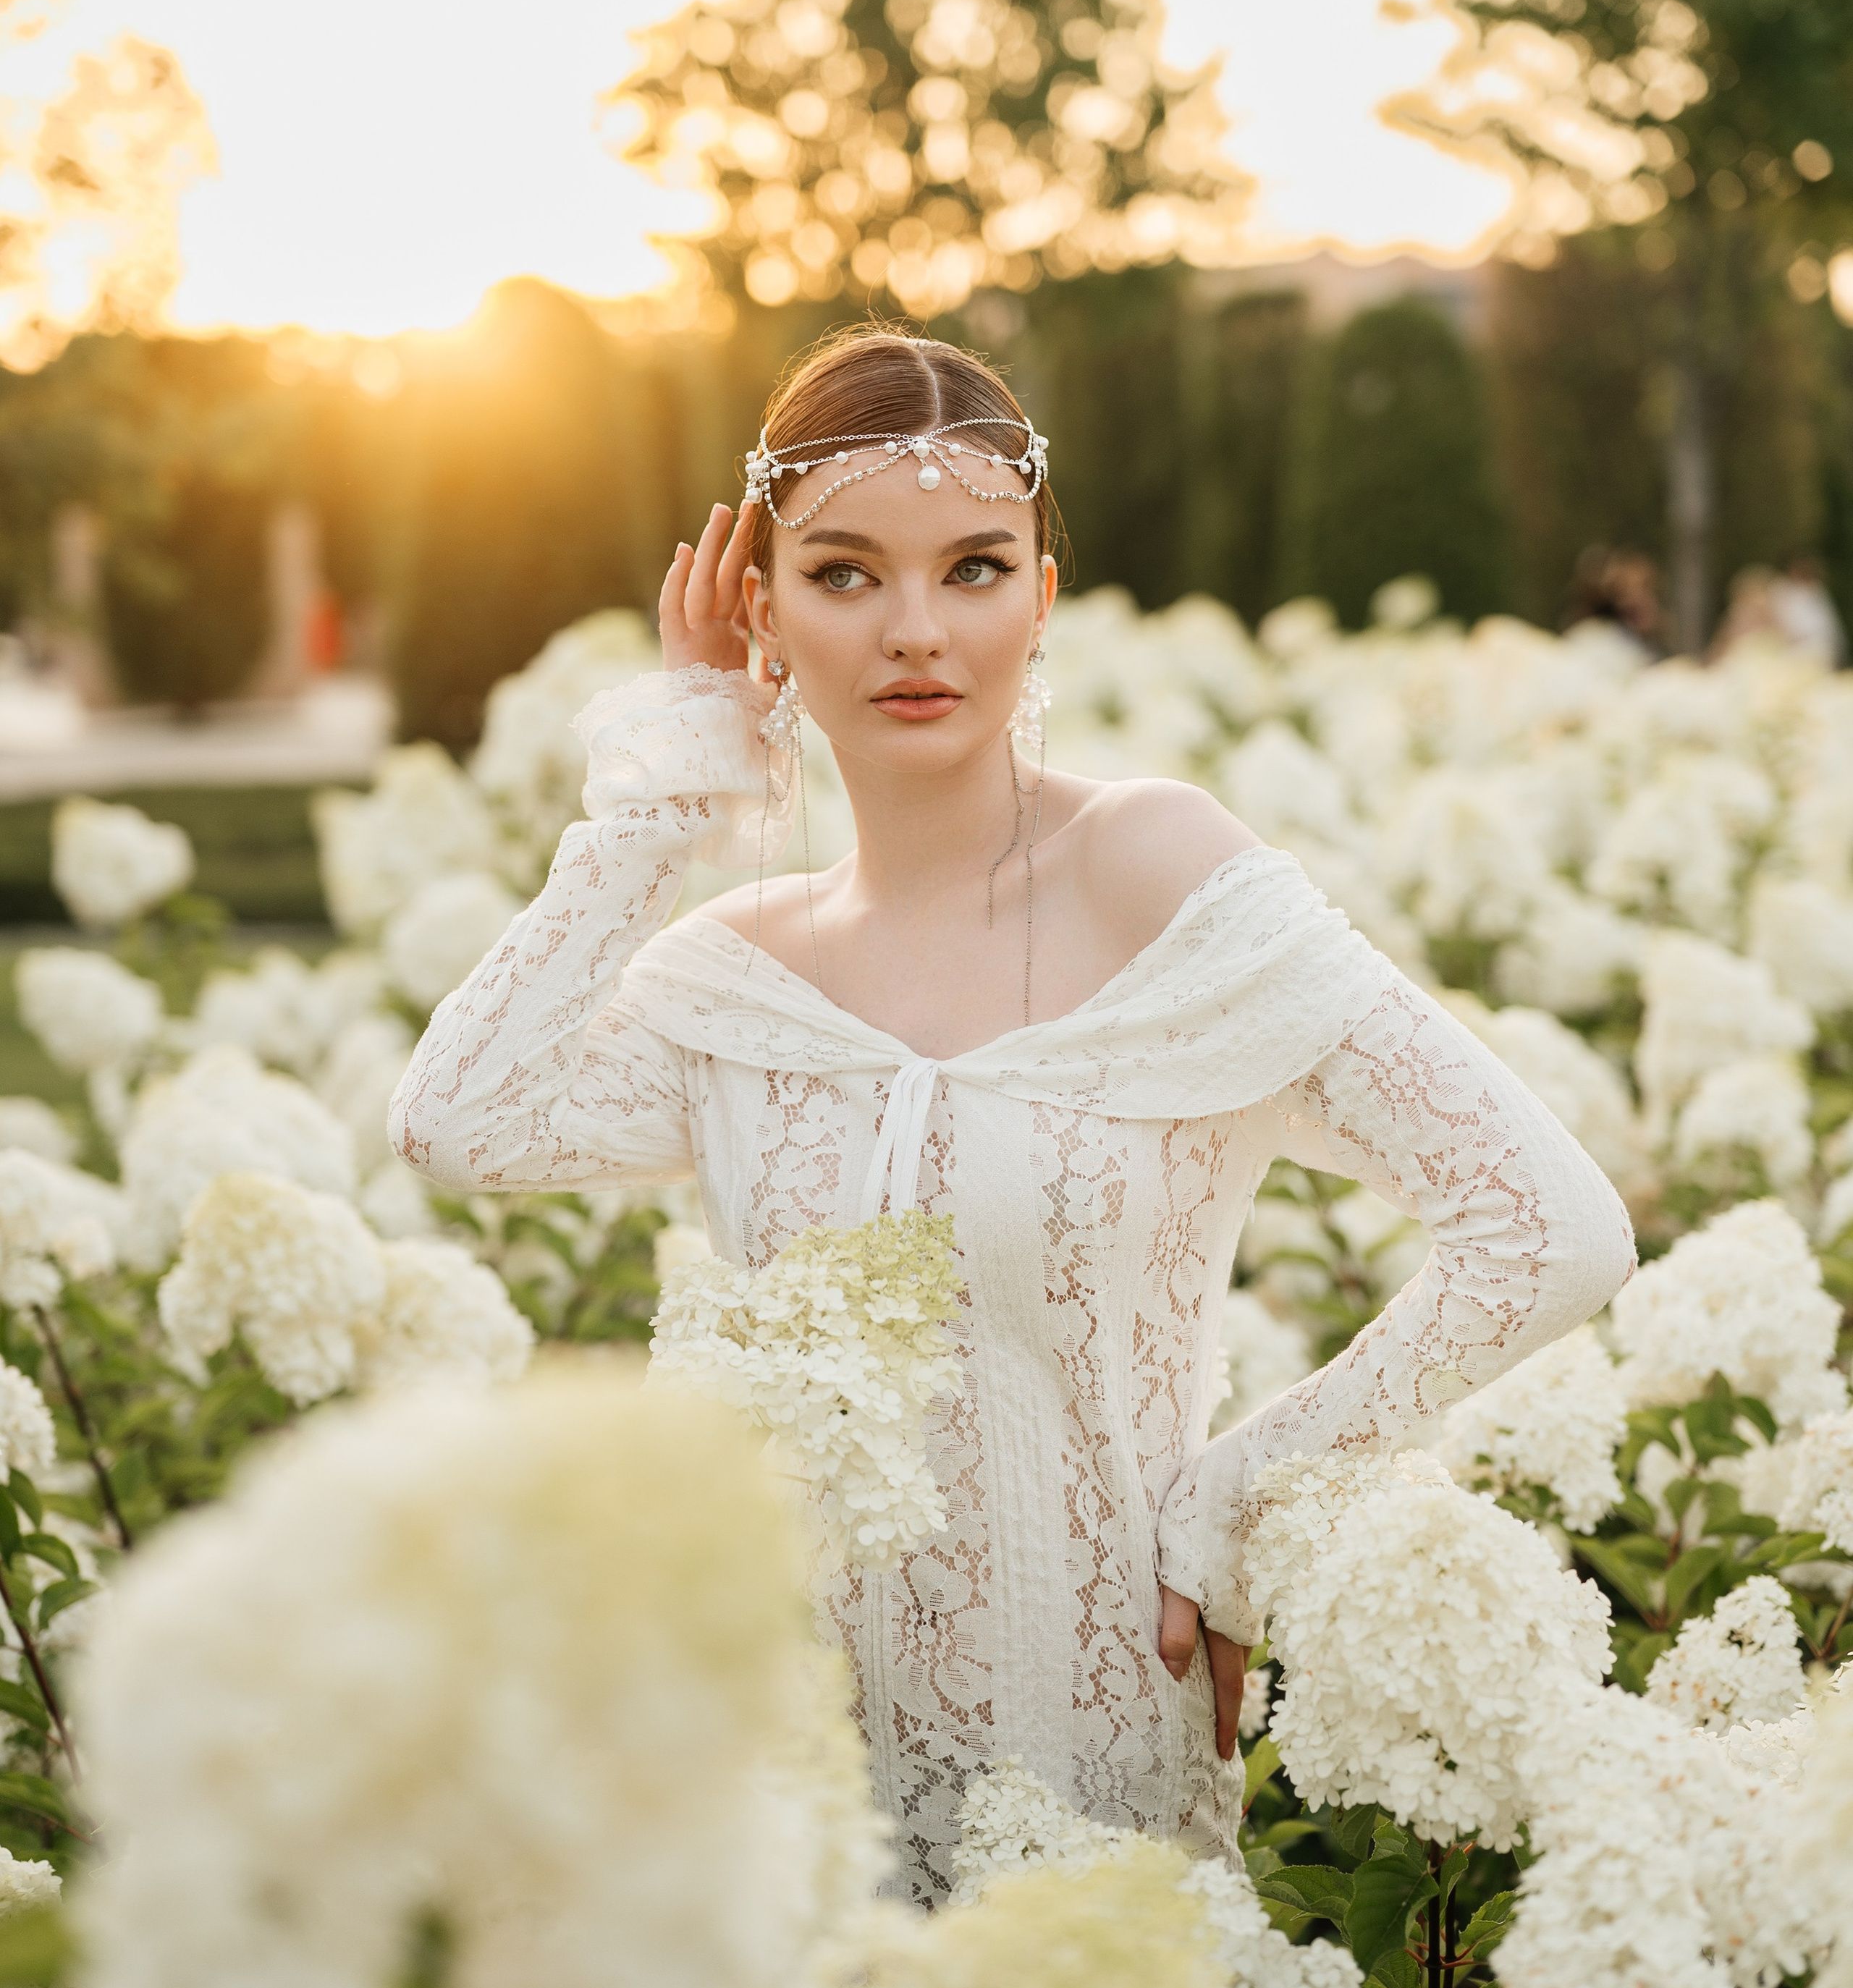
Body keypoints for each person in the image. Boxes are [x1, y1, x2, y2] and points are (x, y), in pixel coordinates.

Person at [392, 328, 1635, 1902]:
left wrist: (1235, 1501)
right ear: (761, 610)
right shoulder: (736, 977)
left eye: (972, 568)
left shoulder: (1156, 873)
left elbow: (1550, 1227)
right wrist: (675, 777)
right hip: (780, 1804)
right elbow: (460, 1120)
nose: (915, 630)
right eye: (843, 574)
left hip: (1095, 1784)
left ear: (1041, 598)